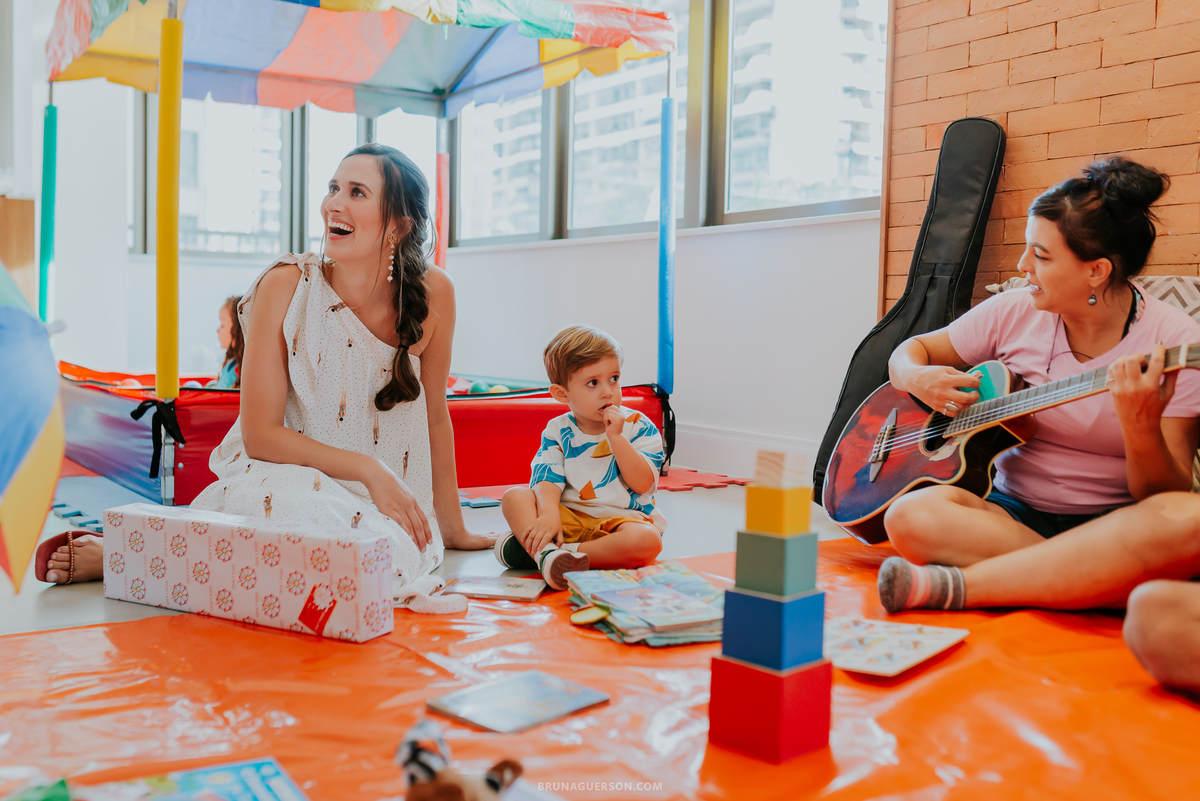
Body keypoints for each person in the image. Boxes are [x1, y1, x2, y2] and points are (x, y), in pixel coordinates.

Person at [43, 144, 494, 590]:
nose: (333, 203)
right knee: (297, 521)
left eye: (357, 192)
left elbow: (436, 416)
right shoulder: (284, 285)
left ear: (398, 225)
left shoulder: (436, 293)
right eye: (333, 187)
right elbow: (259, 435)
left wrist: (450, 526)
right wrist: (369, 469)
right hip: (286, 483)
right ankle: (130, 553)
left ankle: (149, 552)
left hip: (382, 506)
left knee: (361, 565)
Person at [496, 326, 666, 590]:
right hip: (567, 518)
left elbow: (642, 484)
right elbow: (546, 477)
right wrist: (550, 514)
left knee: (647, 542)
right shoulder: (558, 429)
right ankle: (548, 553)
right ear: (562, 394)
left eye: (614, 378)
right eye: (593, 383)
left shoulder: (638, 426)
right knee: (514, 497)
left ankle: (549, 554)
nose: (608, 392)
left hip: (619, 523)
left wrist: (617, 439)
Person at [211, 294, 244, 389]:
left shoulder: (241, 370)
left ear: (236, 330)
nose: (217, 330)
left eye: (222, 325)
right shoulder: (234, 363)